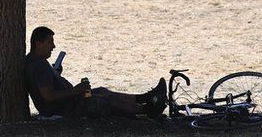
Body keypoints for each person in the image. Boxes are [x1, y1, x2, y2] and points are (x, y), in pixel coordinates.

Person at [24, 26, 167, 118]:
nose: (53, 46)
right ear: (38, 43)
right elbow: (49, 96)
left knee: (103, 91)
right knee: (107, 101)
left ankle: (145, 98)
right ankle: (148, 110)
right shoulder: (39, 66)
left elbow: (46, 85)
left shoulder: (35, 61)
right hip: (65, 108)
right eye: (50, 42)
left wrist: (56, 74)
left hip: (68, 102)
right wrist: (76, 90)